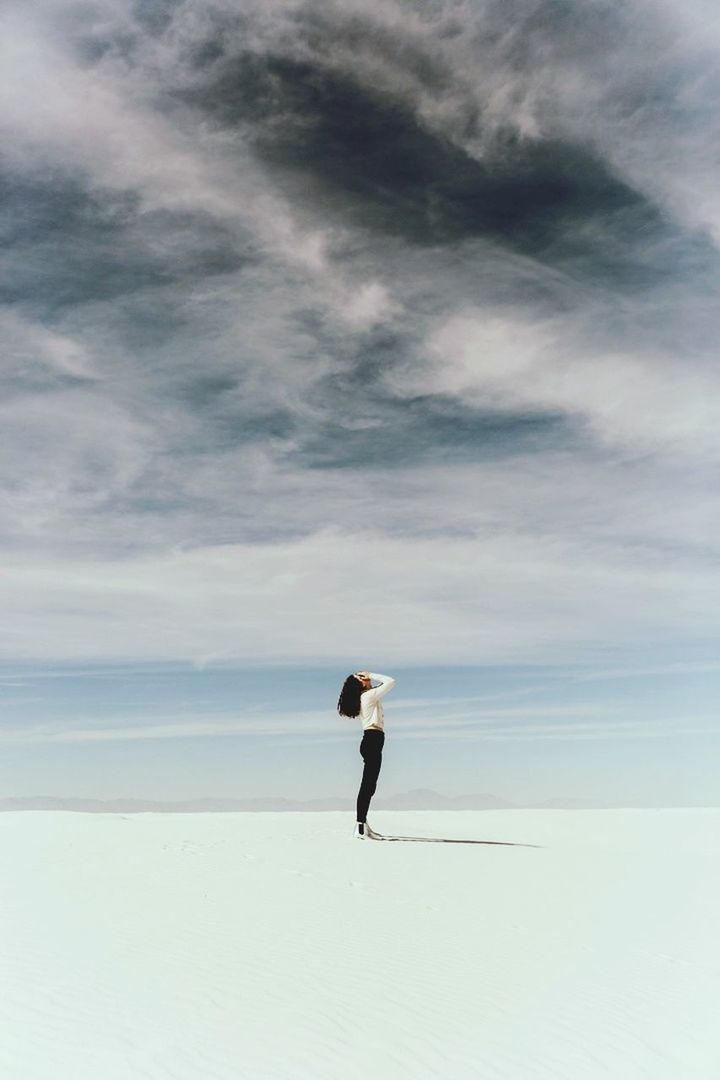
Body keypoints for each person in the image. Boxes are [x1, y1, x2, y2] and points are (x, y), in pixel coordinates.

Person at [337, 670, 396, 839]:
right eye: (361, 677)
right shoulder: (368, 696)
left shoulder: (367, 696)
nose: (366, 678)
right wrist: (371, 674)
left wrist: (367, 678)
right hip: (372, 740)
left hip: (373, 740)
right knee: (367, 785)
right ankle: (360, 827)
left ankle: (363, 825)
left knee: (370, 786)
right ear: (360, 683)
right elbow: (390, 681)